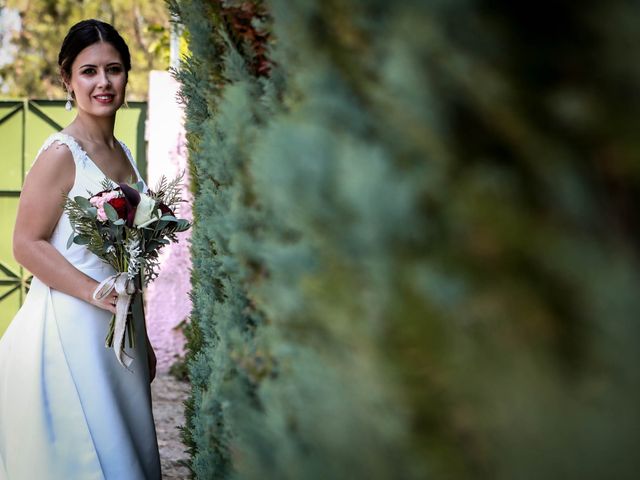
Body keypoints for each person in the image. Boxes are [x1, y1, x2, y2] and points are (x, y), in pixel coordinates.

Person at [0, 19, 161, 479]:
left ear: (127, 75)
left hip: (120, 331)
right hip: (68, 331)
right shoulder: (61, 153)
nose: (103, 82)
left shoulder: (125, 153)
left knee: (127, 449)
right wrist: (95, 293)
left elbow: (134, 255)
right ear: (67, 80)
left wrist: (142, 335)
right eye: (88, 71)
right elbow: (25, 244)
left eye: (114, 69)